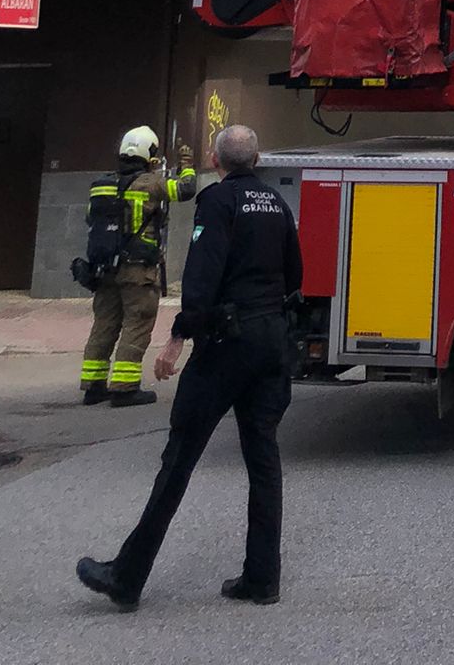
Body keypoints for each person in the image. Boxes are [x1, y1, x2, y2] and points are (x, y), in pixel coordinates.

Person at [76, 124, 302, 613]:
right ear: (258, 159)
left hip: (225, 343)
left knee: (178, 459)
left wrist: (177, 338)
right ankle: (262, 578)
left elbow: (202, 275)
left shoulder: (218, 203)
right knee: (263, 460)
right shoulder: (278, 205)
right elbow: (296, 274)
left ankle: (127, 577)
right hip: (271, 343)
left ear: (218, 163)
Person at [79, 126, 196, 407]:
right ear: (148, 154)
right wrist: (187, 165)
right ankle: (125, 387)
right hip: (138, 271)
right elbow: (186, 190)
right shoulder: (152, 184)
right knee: (137, 324)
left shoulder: (100, 185)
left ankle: (93, 386)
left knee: (104, 325)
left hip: (104, 269)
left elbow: (89, 221)